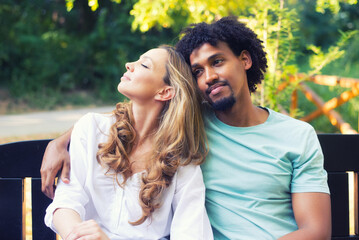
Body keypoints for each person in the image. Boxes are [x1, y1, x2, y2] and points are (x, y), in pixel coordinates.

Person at [41, 17, 331, 239]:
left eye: (217, 62)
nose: (209, 77)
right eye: (198, 72)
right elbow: (131, 119)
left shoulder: (297, 136)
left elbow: (316, 231)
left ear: (245, 60)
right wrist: (61, 141)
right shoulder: (191, 130)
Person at [43, 45, 213, 240]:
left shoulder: (183, 165)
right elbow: (66, 203)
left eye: (144, 65)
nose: (129, 65)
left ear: (165, 92)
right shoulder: (91, 129)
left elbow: (191, 234)